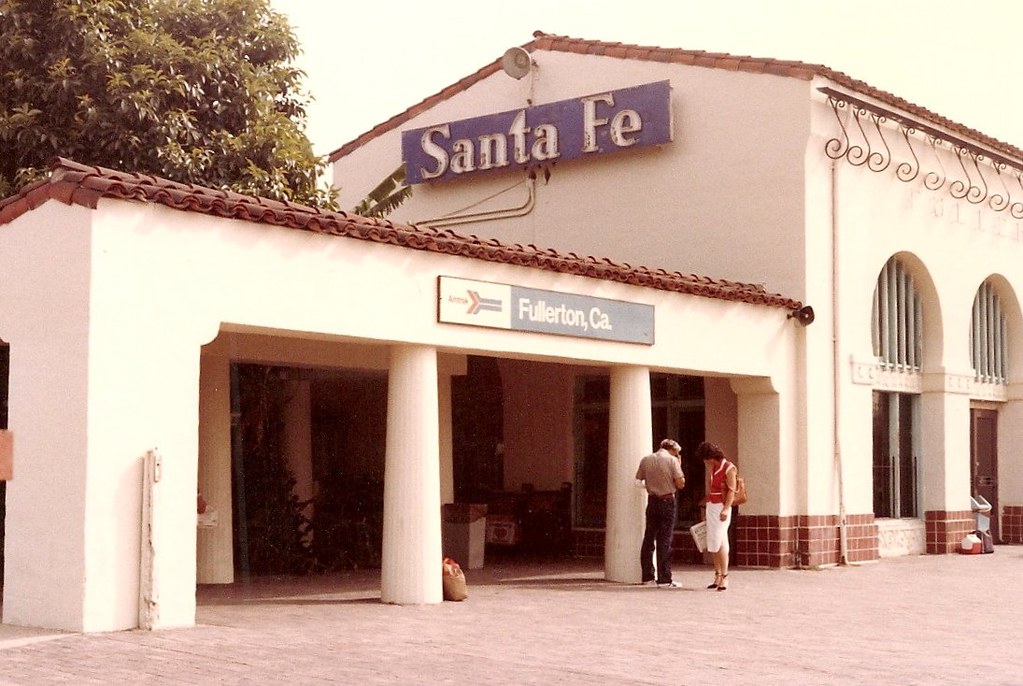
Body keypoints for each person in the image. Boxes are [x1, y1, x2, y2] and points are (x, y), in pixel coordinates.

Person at [636, 438, 686, 588]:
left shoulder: (646, 459)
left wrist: (651, 486)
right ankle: (664, 578)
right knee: (665, 539)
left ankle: (647, 576)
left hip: (652, 500)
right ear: (673, 450)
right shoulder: (672, 460)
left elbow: (638, 481)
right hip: (667, 500)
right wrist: (678, 466)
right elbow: (680, 483)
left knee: (649, 538)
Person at [696, 441, 737, 591]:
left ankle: (724, 575)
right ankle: (718, 573)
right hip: (712, 506)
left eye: (706, 459)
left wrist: (726, 509)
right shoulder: (713, 468)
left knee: (719, 540)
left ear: (711, 457)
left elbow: (732, 490)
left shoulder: (729, 468)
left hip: (721, 506)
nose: (705, 462)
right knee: (714, 541)